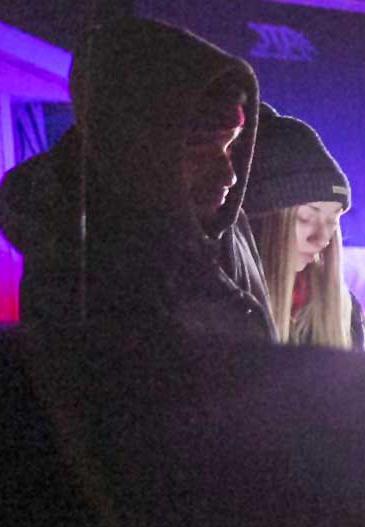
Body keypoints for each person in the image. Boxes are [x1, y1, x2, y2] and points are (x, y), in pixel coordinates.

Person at [0, 17, 271, 340]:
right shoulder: (80, 274)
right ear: (135, 147)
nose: (229, 175)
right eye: (197, 148)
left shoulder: (229, 231)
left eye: (230, 147)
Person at [244, 105, 365, 350]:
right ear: (264, 218)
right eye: (306, 217)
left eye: (333, 221)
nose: (322, 239)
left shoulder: (347, 313)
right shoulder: (227, 308)